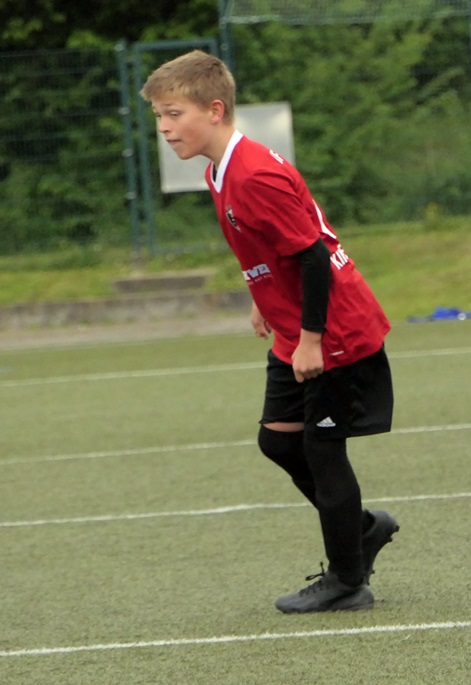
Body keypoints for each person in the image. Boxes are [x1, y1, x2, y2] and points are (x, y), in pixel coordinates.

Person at [141, 50, 399, 614]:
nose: (164, 128)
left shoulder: (254, 173)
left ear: (214, 110)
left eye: (174, 114)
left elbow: (312, 256)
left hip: (332, 328)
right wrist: (263, 301)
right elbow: (264, 246)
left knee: (322, 449)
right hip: (292, 325)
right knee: (278, 441)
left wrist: (311, 338)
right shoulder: (219, 170)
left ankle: (348, 579)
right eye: (158, 117)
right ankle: (362, 529)